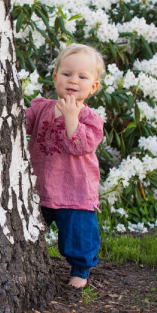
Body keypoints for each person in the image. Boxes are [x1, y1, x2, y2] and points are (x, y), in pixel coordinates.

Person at [26, 43, 105, 289]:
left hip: (75, 192)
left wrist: (71, 117)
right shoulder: (42, 108)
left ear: (93, 87)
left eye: (82, 76)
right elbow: (21, 123)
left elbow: (80, 145)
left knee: (78, 235)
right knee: (32, 230)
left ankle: (80, 270)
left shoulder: (90, 119)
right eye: (67, 74)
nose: (73, 80)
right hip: (41, 187)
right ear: (55, 77)